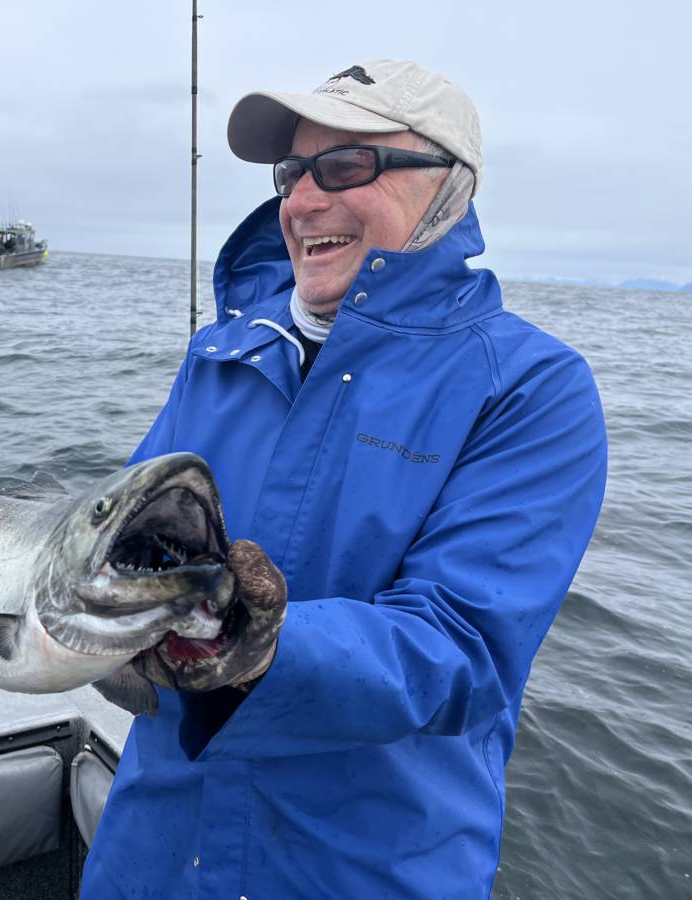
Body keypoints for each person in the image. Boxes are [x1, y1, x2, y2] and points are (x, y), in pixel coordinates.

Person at [79, 59, 608, 899]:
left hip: (362, 872)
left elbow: (462, 647)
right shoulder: (221, 356)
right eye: (292, 172)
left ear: (447, 186)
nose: (301, 200)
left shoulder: (530, 388)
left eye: (345, 165)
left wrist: (253, 644)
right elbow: (104, 548)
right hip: (150, 858)